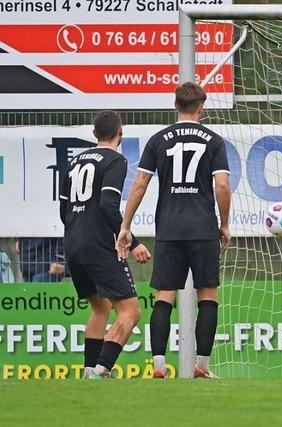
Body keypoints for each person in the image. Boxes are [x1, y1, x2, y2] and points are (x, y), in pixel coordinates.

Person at [117, 82, 232, 379]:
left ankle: (158, 365)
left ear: (175, 105)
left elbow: (140, 184)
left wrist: (126, 225)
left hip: (169, 228)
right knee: (207, 295)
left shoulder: (158, 139)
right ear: (201, 107)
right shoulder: (213, 140)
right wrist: (224, 223)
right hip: (203, 227)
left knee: (164, 297)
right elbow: (221, 184)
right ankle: (202, 366)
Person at [59, 110, 151, 379]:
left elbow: (63, 210)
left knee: (100, 307)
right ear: (120, 133)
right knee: (131, 311)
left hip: (73, 242)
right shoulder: (115, 160)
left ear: (94, 133)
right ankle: (102, 369)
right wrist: (132, 242)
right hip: (99, 244)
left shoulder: (74, 161)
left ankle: (89, 371)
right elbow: (108, 206)